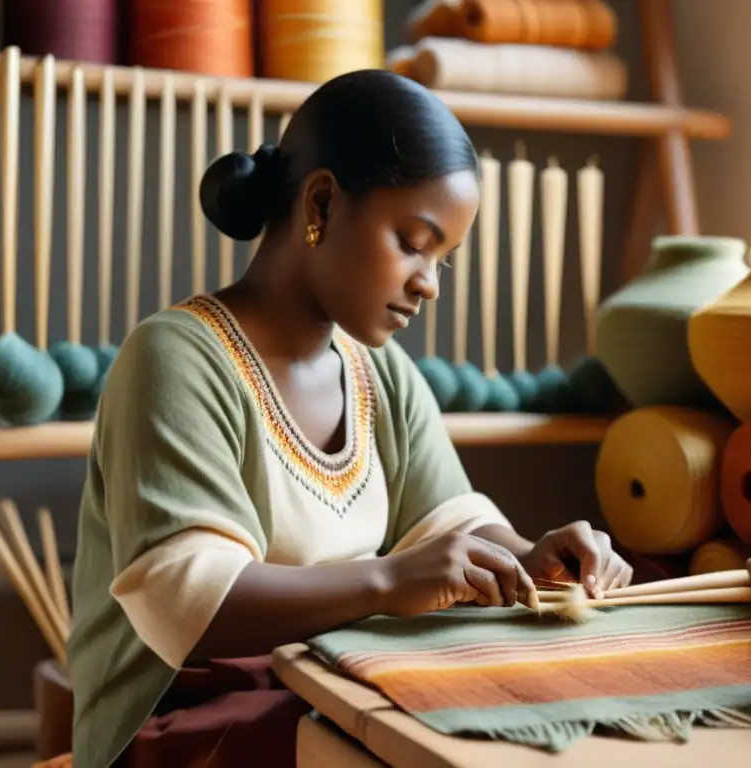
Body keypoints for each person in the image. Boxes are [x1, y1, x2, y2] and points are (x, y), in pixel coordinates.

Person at [65, 69, 633, 768]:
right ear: (323, 204)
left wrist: (528, 556)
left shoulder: (380, 372)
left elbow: (450, 525)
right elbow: (190, 607)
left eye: (443, 261)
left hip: (328, 691)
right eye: (413, 242)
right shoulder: (176, 359)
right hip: (179, 728)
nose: (427, 283)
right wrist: (393, 583)